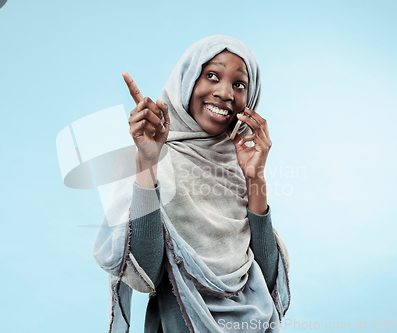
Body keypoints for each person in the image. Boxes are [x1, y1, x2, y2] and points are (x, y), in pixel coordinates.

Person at [92, 35, 290, 333]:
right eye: (212, 75)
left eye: (239, 84)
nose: (225, 93)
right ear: (187, 81)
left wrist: (255, 179)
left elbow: (268, 282)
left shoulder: (240, 162)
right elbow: (145, 273)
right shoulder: (151, 159)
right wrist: (147, 164)